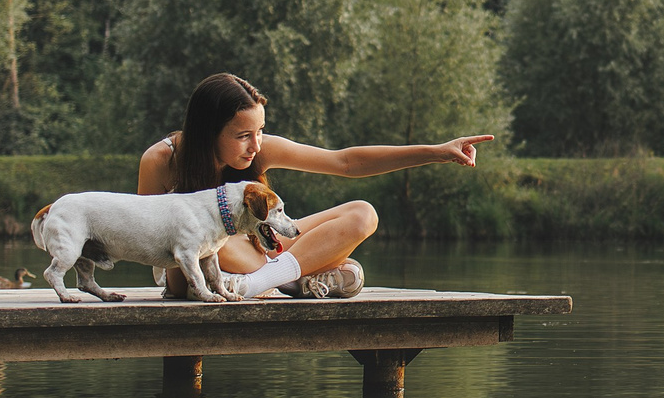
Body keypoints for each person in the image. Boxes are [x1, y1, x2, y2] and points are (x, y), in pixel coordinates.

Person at [139, 72, 492, 298]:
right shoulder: (160, 161)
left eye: (260, 131)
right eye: (244, 135)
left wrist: (435, 152)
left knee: (362, 214)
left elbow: (346, 162)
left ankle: (266, 283)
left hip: (259, 249)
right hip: (193, 264)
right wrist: (184, 285)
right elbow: (156, 246)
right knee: (209, 242)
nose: (257, 145)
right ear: (207, 132)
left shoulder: (258, 152)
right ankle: (295, 277)